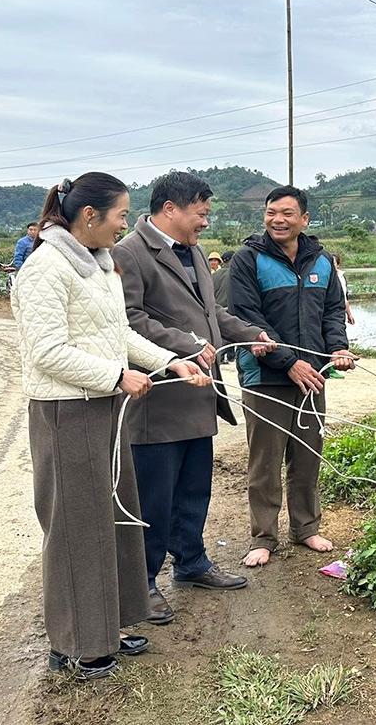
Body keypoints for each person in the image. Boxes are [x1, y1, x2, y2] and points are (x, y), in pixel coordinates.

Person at [11, 172, 207, 680]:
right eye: (121, 215)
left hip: (102, 406)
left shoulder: (99, 264)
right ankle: (76, 645)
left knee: (112, 520)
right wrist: (116, 376)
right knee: (76, 528)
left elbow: (119, 333)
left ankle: (105, 629)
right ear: (89, 215)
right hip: (66, 411)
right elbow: (47, 351)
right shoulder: (45, 268)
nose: (124, 224)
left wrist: (171, 362)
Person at [112, 171, 273, 625]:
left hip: (200, 394)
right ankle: (142, 582)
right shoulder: (129, 253)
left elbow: (210, 312)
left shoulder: (196, 252)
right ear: (170, 209)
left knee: (193, 488)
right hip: (159, 399)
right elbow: (128, 319)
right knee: (153, 497)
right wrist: (185, 344)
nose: (205, 221)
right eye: (200, 213)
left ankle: (191, 561)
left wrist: (249, 333)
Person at [227, 185, 355, 568]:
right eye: (271, 213)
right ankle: (263, 537)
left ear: (304, 219)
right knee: (265, 462)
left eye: (286, 213)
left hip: (312, 377)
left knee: (308, 456)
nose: (277, 220)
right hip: (265, 377)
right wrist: (288, 363)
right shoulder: (248, 259)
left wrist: (338, 348)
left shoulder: (322, 261)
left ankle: (306, 527)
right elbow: (248, 317)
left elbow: (332, 312)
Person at [331, 253, 354, 325]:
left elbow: (344, 298)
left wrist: (349, 314)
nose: (331, 265)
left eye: (333, 263)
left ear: (338, 265)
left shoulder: (341, 277)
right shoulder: (323, 277)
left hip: (338, 312)